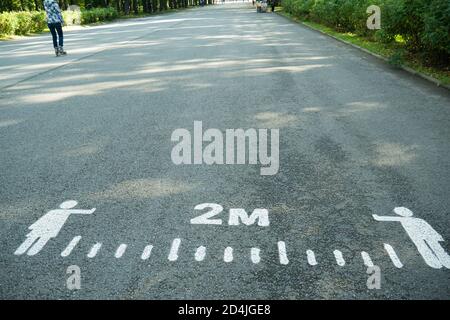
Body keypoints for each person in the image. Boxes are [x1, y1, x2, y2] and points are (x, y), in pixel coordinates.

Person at [373, 207, 450, 269]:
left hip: (428, 235)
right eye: (402, 212)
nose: (406, 212)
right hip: (416, 236)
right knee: (423, 247)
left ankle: (445, 260)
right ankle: (433, 261)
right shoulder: (403, 219)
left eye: (406, 210)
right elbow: (388, 218)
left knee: (436, 246)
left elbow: (428, 228)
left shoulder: (418, 219)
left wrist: (435, 235)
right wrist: (377, 217)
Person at [14, 200, 95, 256]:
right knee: (36, 237)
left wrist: (90, 211)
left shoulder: (58, 211)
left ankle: (30, 250)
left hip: (51, 227)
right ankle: (27, 250)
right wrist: (34, 226)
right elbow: (44, 218)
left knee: (43, 237)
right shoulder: (55, 211)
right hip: (46, 226)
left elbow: (80, 211)